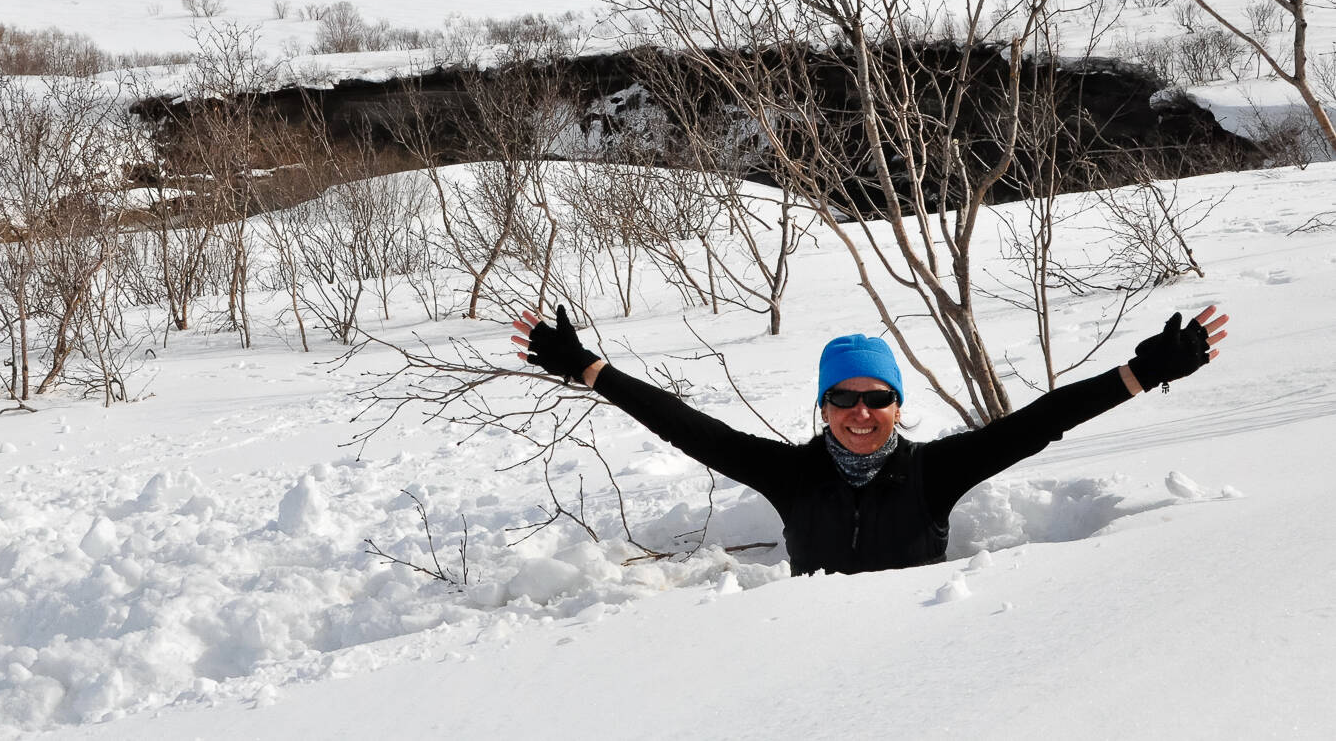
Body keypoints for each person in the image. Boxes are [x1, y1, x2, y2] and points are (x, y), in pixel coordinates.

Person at [510, 305, 1229, 576]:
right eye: (843, 398)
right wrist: (590, 370)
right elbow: (687, 426)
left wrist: (1139, 373)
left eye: (877, 398)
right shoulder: (790, 475)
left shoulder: (934, 473)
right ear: (823, 406)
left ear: (897, 403)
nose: (861, 412)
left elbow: (1039, 422)